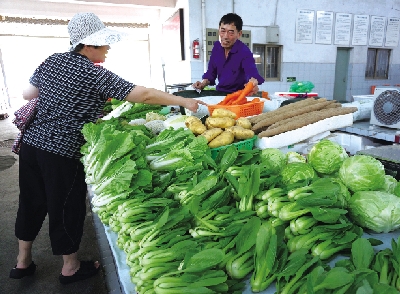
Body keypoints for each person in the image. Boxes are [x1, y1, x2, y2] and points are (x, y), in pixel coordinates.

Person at [9, 12, 206, 284]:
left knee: (31, 201)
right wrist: (184, 102)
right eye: (104, 43)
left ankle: (22, 262)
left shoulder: (51, 61)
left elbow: (28, 94)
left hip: (32, 145)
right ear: (89, 45)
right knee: (65, 205)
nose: (108, 48)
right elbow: (144, 95)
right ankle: (70, 267)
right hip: (62, 153)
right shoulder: (93, 73)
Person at [192, 13, 264, 96]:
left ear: (239, 34)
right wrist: (202, 84)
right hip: (220, 93)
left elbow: (251, 72)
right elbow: (211, 73)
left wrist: (253, 82)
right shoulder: (216, 48)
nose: (225, 36)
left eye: (231, 32)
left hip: (239, 96)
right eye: (222, 31)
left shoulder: (244, 51)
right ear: (219, 30)